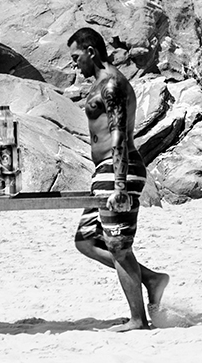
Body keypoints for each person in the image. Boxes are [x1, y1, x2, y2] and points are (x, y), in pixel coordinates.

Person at [67, 27, 169, 331]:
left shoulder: (112, 85)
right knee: (86, 241)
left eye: (76, 57)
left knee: (118, 247)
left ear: (91, 52)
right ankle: (151, 279)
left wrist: (121, 185)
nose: (75, 65)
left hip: (118, 170)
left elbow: (119, 135)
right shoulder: (101, 83)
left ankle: (138, 319)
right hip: (105, 171)